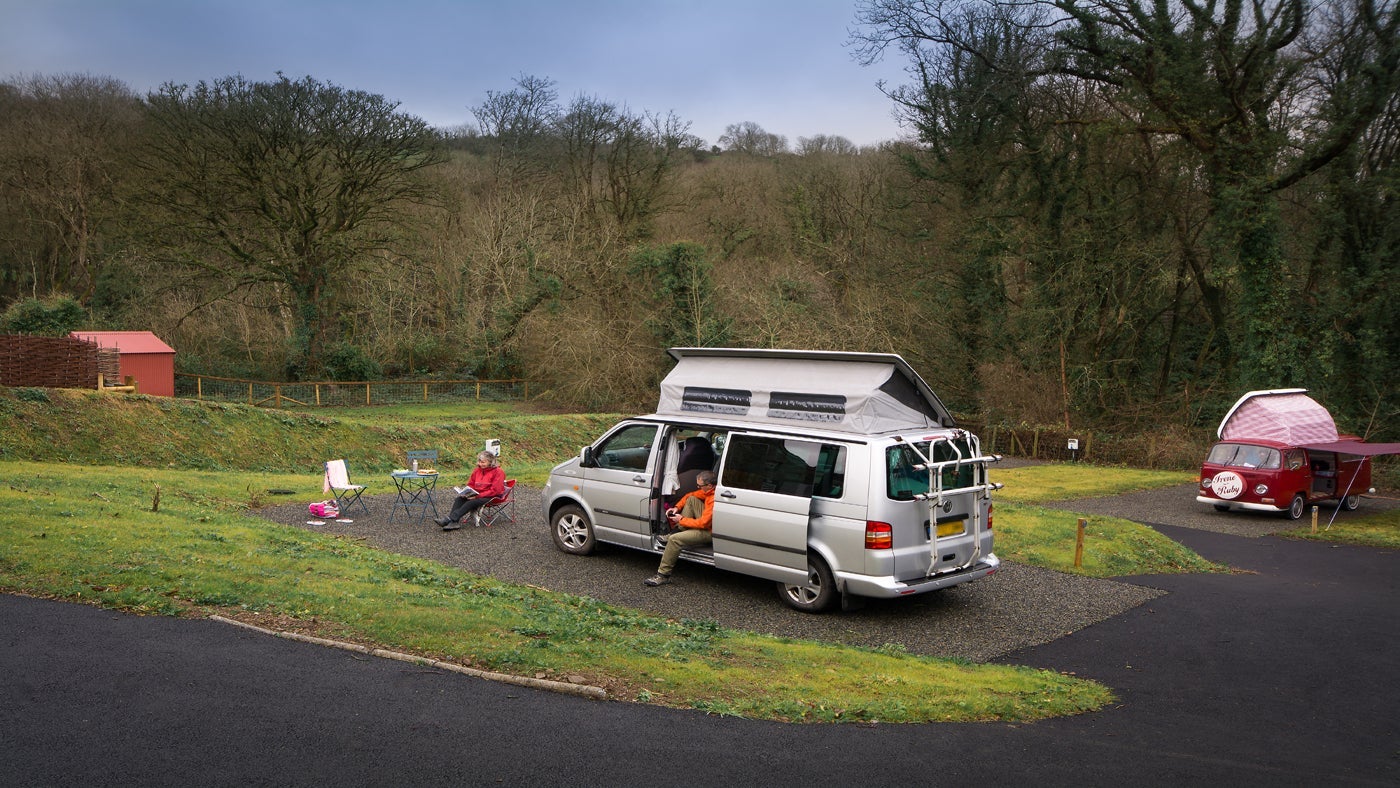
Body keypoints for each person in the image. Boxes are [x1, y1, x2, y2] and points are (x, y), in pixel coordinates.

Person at [645, 470, 716, 587]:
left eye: (700, 485)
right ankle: (678, 530)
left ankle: (663, 576)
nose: (698, 487)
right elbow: (690, 495)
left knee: (674, 539)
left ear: (709, 485)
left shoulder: (713, 498)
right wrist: (676, 508)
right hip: (707, 523)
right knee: (691, 499)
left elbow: (704, 524)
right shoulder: (709, 491)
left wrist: (681, 520)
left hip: (709, 531)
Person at [436, 451, 505, 531]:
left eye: (483, 462)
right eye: (479, 461)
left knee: (471, 502)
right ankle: (454, 522)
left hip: (492, 496)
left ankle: (449, 519)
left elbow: (495, 490)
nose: (480, 464)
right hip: (477, 494)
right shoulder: (477, 470)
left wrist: (478, 496)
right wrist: (467, 493)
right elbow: (471, 484)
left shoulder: (498, 472)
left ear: (490, 462)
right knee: (459, 499)